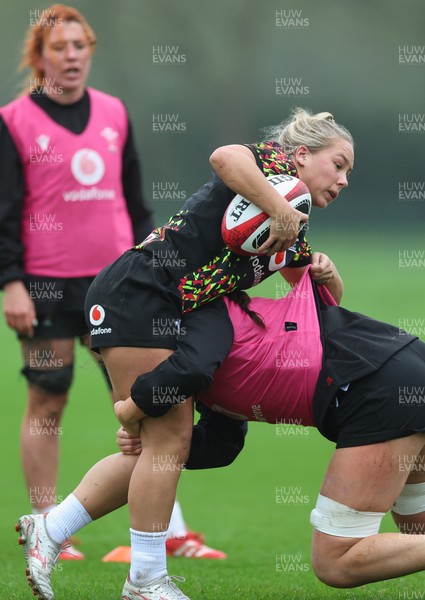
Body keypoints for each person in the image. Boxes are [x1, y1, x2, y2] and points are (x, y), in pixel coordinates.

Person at [16, 108, 354, 599]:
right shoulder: (270, 171)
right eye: (338, 165)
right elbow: (224, 156)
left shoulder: (292, 228)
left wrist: (325, 271)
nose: (343, 180)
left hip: (181, 311)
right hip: (137, 294)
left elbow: (322, 302)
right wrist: (276, 206)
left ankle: (53, 527)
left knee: (203, 445)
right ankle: (146, 578)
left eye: (349, 173)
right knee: (167, 440)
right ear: (301, 156)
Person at [17, 262, 425, 598]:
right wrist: (158, 445)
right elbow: (222, 445)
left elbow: (192, 368)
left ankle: (61, 533)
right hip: (399, 368)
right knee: (415, 534)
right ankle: (53, 528)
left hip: (378, 387)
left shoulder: (197, 322)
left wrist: (135, 407)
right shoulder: (202, 360)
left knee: (336, 560)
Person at [0, 3, 225, 564]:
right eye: (60, 48)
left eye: (80, 46)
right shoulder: (13, 121)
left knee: (147, 406)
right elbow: (4, 211)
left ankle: (169, 533)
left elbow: (137, 204)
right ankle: (54, 530)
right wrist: (10, 283)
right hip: (47, 284)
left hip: (121, 285)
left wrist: (162, 272)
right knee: (47, 400)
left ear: (90, 52)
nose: (72, 56)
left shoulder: (115, 113)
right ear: (40, 57)